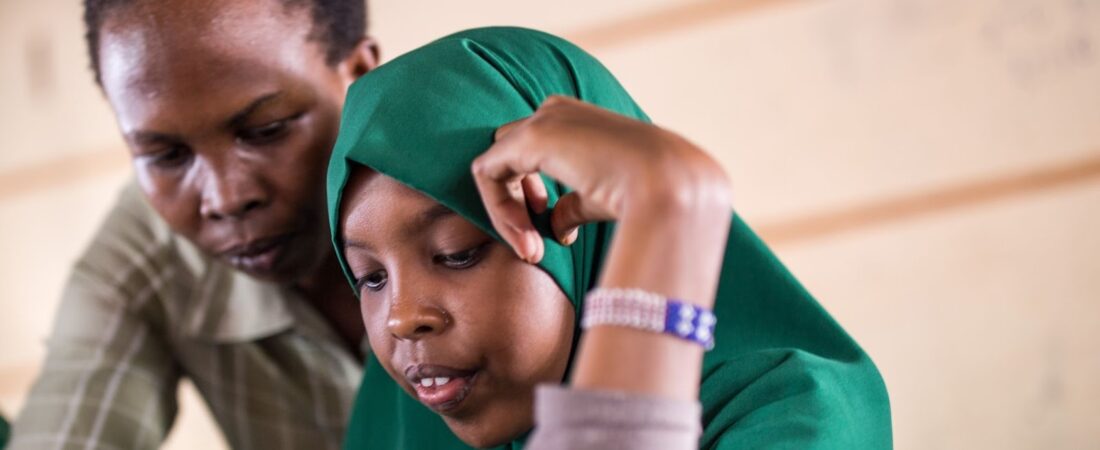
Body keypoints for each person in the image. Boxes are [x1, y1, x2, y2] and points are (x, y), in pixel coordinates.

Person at [327, 27, 893, 449]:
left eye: (457, 252)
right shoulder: (400, 427)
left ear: (587, 227)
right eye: (370, 277)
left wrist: (667, 203)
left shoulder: (795, 420)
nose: (401, 317)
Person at [11, 0, 378, 448]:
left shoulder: (478, 188)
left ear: (360, 74)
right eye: (166, 156)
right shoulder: (148, 252)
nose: (226, 198)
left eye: (267, 129)